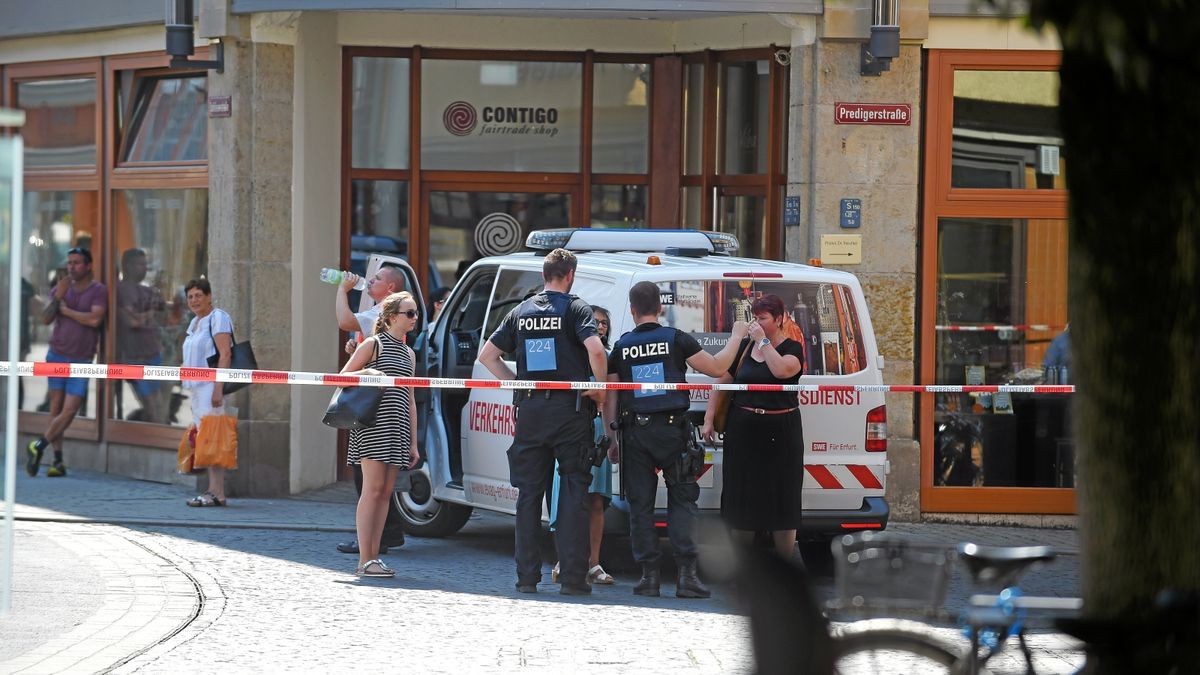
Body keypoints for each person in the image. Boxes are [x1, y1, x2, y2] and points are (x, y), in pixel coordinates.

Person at [605, 282, 749, 597]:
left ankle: (649, 577)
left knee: (640, 506)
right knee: (682, 502)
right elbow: (717, 368)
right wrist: (737, 335)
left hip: (635, 433)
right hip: (673, 432)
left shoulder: (621, 346)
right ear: (660, 308)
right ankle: (687, 577)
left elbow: (611, 398)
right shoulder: (675, 339)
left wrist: (611, 437)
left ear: (632, 310)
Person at [478, 248, 608, 595]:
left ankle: (526, 578)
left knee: (528, 497)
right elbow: (596, 350)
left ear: (543, 275)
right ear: (570, 276)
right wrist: (599, 389)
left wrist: (516, 382)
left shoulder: (521, 311)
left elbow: (487, 355)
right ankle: (573, 579)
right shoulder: (576, 307)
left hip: (531, 413)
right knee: (574, 493)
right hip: (570, 413)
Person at [702, 294, 806, 562]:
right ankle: (743, 564)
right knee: (741, 494)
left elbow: (782, 371)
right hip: (744, 429)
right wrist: (709, 418)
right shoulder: (745, 347)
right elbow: (721, 380)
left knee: (783, 496)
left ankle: (784, 565)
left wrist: (763, 341)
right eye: (755, 318)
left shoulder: (792, 348)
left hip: (781, 430)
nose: (756, 323)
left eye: (763, 318)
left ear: (779, 319)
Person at [339, 292, 422, 577]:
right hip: (374, 425)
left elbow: (409, 397)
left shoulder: (409, 353)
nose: (414, 318)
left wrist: (413, 441)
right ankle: (365, 559)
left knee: (385, 493)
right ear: (391, 317)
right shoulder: (374, 345)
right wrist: (369, 374)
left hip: (397, 426)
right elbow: (341, 378)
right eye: (409, 313)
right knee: (372, 491)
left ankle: (374, 557)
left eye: (415, 314)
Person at [333, 266, 409, 556]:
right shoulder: (381, 321)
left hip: (377, 409)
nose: (370, 280)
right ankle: (375, 546)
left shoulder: (382, 312)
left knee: (371, 485)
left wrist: (342, 290)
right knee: (377, 485)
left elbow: (344, 320)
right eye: (410, 313)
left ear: (389, 289)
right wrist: (360, 355)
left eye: (377, 279)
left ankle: (374, 545)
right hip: (383, 407)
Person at [26, 247, 108, 478]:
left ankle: (39, 445)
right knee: (56, 408)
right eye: (69, 262)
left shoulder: (98, 291)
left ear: (88, 266)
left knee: (70, 409)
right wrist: (59, 297)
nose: (71, 267)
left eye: (77, 263)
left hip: (81, 359)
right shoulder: (60, 289)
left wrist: (67, 311)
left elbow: (94, 319)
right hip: (57, 355)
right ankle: (57, 461)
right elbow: (45, 318)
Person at [551, 304, 616, 586]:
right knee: (568, 498)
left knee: (596, 500)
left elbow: (611, 400)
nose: (600, 327)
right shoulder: (570, 356)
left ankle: (594, 563)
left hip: (598, 429)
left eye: (604, 323)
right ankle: (563, 559)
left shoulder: (609, 359)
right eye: (595, 322)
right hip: (569, 429)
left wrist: (612, 437)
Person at [180, 279, 234, 507]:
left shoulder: (218, 318)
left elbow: (225, 354)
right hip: (196, 389)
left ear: (209, 296)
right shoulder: (194, 323)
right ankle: (212, 490)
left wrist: (218, 388)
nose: (194, 300)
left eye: (198, 295)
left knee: (213, 438)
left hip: (210, 387)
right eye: (190, 296)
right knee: (206, 438)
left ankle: (217, 493)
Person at [115, 248, 168, 423]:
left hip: (153, 353)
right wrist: (150, 313)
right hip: (134, 357)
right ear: (127, 266)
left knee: (160, 405)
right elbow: (133, 322)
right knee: (153, 405)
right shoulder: (120, 290)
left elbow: (164, 315)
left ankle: (142, 432)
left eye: (146, 265)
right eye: (140, 264)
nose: (144, 268)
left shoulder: (146, 291)